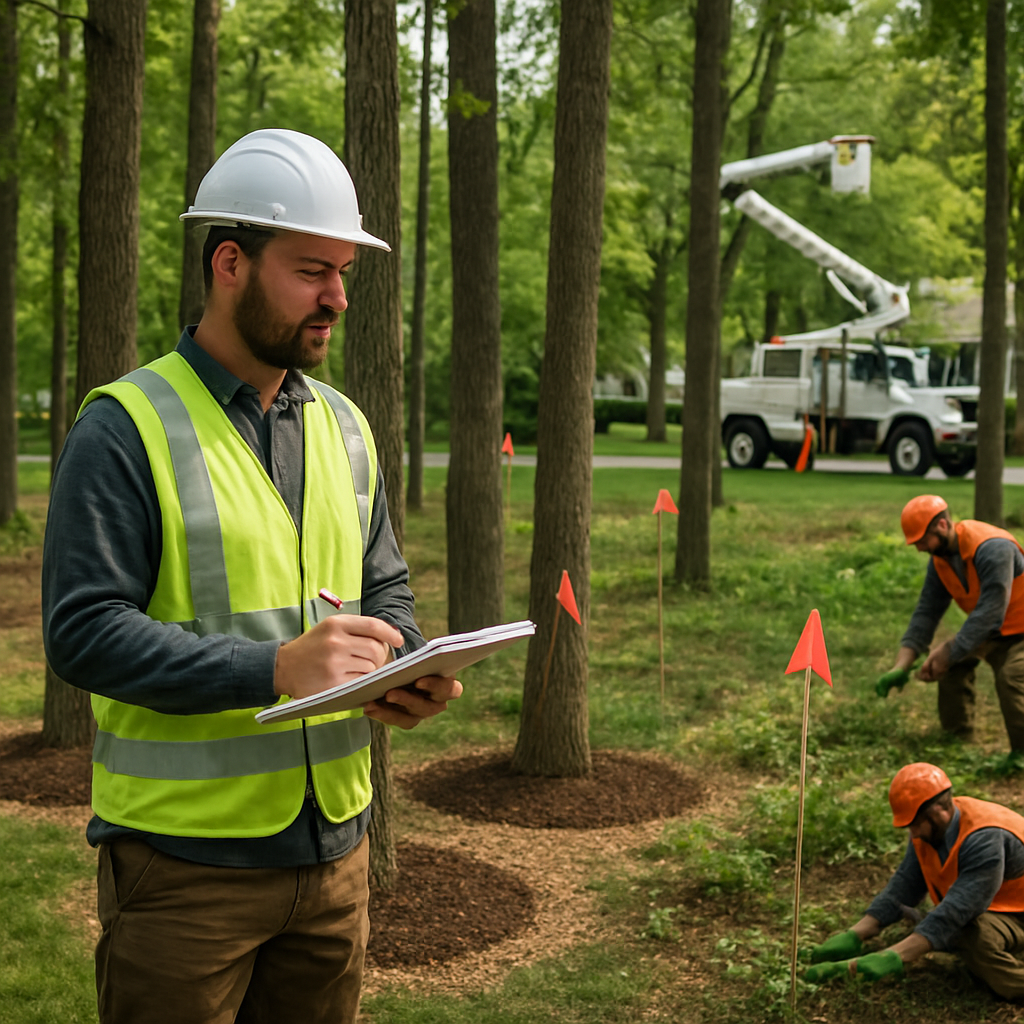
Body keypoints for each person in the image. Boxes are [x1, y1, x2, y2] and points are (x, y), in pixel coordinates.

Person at [41, 128, 462, 1024]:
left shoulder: (346, 424)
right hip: (186, 872)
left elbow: (383, 586)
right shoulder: (125, 425)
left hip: (337, 858)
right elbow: (82, 631)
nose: (339, 298)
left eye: (344, 273)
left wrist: (404, 665)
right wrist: (273, 670)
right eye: (313, 271)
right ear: (230, 263)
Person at [806, 763, 1024, 997]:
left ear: (940, 810)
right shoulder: (930, 829)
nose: (914, 833)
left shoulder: (985, 838)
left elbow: (960, 909)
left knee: (971, 934)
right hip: (995, 908)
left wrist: (894, 956)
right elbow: (906, 884)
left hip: (1016, 913)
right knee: (950, 931)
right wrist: (856, 933)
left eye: (916, 823)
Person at [876, 495, 1024, 758]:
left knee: (1011, 677)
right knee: (952, 662)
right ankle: (957, 739)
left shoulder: (993, 548)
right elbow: (926, 613)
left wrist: (948, 649)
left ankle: (1021, 757)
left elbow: (991, 613)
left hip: (1018, 629)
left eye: (922, 540)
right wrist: (901, 665)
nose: (920, 548)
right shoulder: (941, 560)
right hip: (994, 630)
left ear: (943, 526)